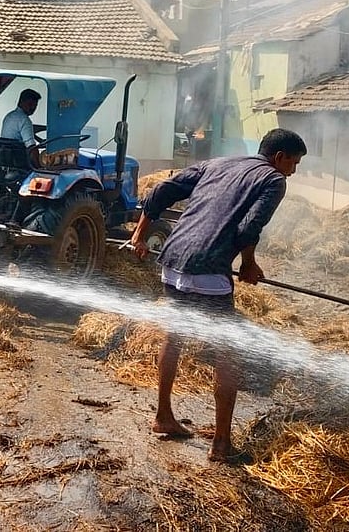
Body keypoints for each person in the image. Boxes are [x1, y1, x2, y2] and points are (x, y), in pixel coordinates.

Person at [128, 128, 306, 462]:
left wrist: (140, 233)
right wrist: (249, 264)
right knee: (228, 349)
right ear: (279, 157)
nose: (293, 171)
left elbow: (164, 189)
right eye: (294, 163)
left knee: (175, 335)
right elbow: (250, 227)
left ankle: (163, 416)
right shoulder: (272, 180)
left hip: (172, 260)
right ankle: (222, 443)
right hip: (208, 270)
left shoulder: (219, 163)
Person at [1, 88, 41, 164]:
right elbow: (31, 148)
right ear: (22, 101)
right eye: (30, 104)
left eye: (35, 106)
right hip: (18, 162)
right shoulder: (25, 120)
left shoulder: (9, 116)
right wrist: (40, 167)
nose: (32, 108)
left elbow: (22, 131)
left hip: (6, 159)